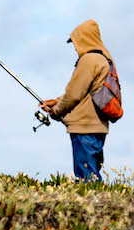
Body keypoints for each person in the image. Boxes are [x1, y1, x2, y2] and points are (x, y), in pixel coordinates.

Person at [41, 19, 115, 182]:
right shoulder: (104, 59)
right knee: (92, 174)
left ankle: (93, 206)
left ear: (84, 39)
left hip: (84, 127)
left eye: (75, 41)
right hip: (97, 126)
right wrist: (56, 101)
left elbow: (74, 93)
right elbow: (85, 92)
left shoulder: (88, 60)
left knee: (86, 179)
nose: (75, 46)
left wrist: (57, 111)